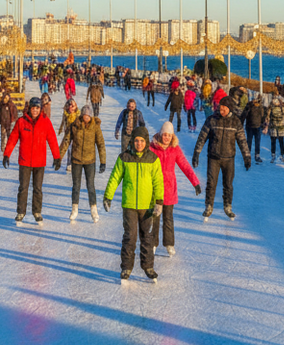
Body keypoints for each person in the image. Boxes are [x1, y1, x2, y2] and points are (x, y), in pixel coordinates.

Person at [103, 126, 164, 282]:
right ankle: (126, 268)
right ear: (132, 141)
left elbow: (158, 182)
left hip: (147, 206)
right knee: (130, 237)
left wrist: (159, 202)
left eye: (142, 141)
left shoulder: (153, 159)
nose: (139, 144)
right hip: (129, 205)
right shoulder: (124, 158)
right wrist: (108, 196)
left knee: (147, 238)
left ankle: (148, 266)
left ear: (146, 142)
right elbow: (114, 178)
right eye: (136, 141)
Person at [3, 97, 61, 224]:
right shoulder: (21, 122)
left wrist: (57, 157)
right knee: (23, 188)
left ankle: (37, 211)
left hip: (39, 162)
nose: (35, 110)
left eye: (37, 108)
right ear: (29, 108)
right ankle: (21, 212)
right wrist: (7, 154)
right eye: (33, 108)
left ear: (40, 109)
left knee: (37, 188)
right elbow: (13, 138)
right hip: (25, 161)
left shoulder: (45, 122)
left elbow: (52, 139)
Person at [149, 121, 201, 257]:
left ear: (172, 136)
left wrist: (195, 182)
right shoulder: (152, 148)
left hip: (170, 189)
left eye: (169, 135)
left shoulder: (175, 149)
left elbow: (184, 165)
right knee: (154, 217)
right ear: (160, 134)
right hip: (154, 189)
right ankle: (153, 243)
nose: (166, 138)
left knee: (168, 218)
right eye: (164, 134)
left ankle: (169, 243)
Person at [191, 99, 249, 220]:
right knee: (211, 183)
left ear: (229, 109)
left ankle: (228, 206)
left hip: (229, 158)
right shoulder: (212, 120)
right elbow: (202, 137)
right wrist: (196, 153)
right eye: (220, 108)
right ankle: (209, 205)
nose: (221, 110)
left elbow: (242, 140)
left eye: (224, 108)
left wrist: (246, 156)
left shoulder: (235, 122)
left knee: (228, 184)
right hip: (214, 157)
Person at [58, 105, 107, 222]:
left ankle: (93, 209)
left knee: (90, 185)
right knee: (76, 186)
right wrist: (58, 158)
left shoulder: (95, 127)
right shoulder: (74, 125)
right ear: (82, 115)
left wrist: (103, 161)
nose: (86, 117)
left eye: (88, 115)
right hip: (77, 160)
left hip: (90, 160)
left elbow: (100, 144)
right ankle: (74, 209)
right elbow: (66, 141)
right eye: (85, 115)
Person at [241, 94, 267, 165]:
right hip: (253, 127)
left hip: (253, 126)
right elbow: (263, 116)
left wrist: (264, 125)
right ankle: (253, 155)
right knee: (254, 141)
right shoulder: (255, 107)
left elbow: (243, 115)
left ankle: (252, 155)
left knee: (253, 141)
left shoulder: (251, 106)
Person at [267, 96, 284, 163]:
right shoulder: (283, 108)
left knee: (273, 142)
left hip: (273, 126)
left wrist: (266, 126)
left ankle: (273, 154)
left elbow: (267, 117)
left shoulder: (271, 108)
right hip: (281, 127)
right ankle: (282, 155)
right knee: (281, 141)